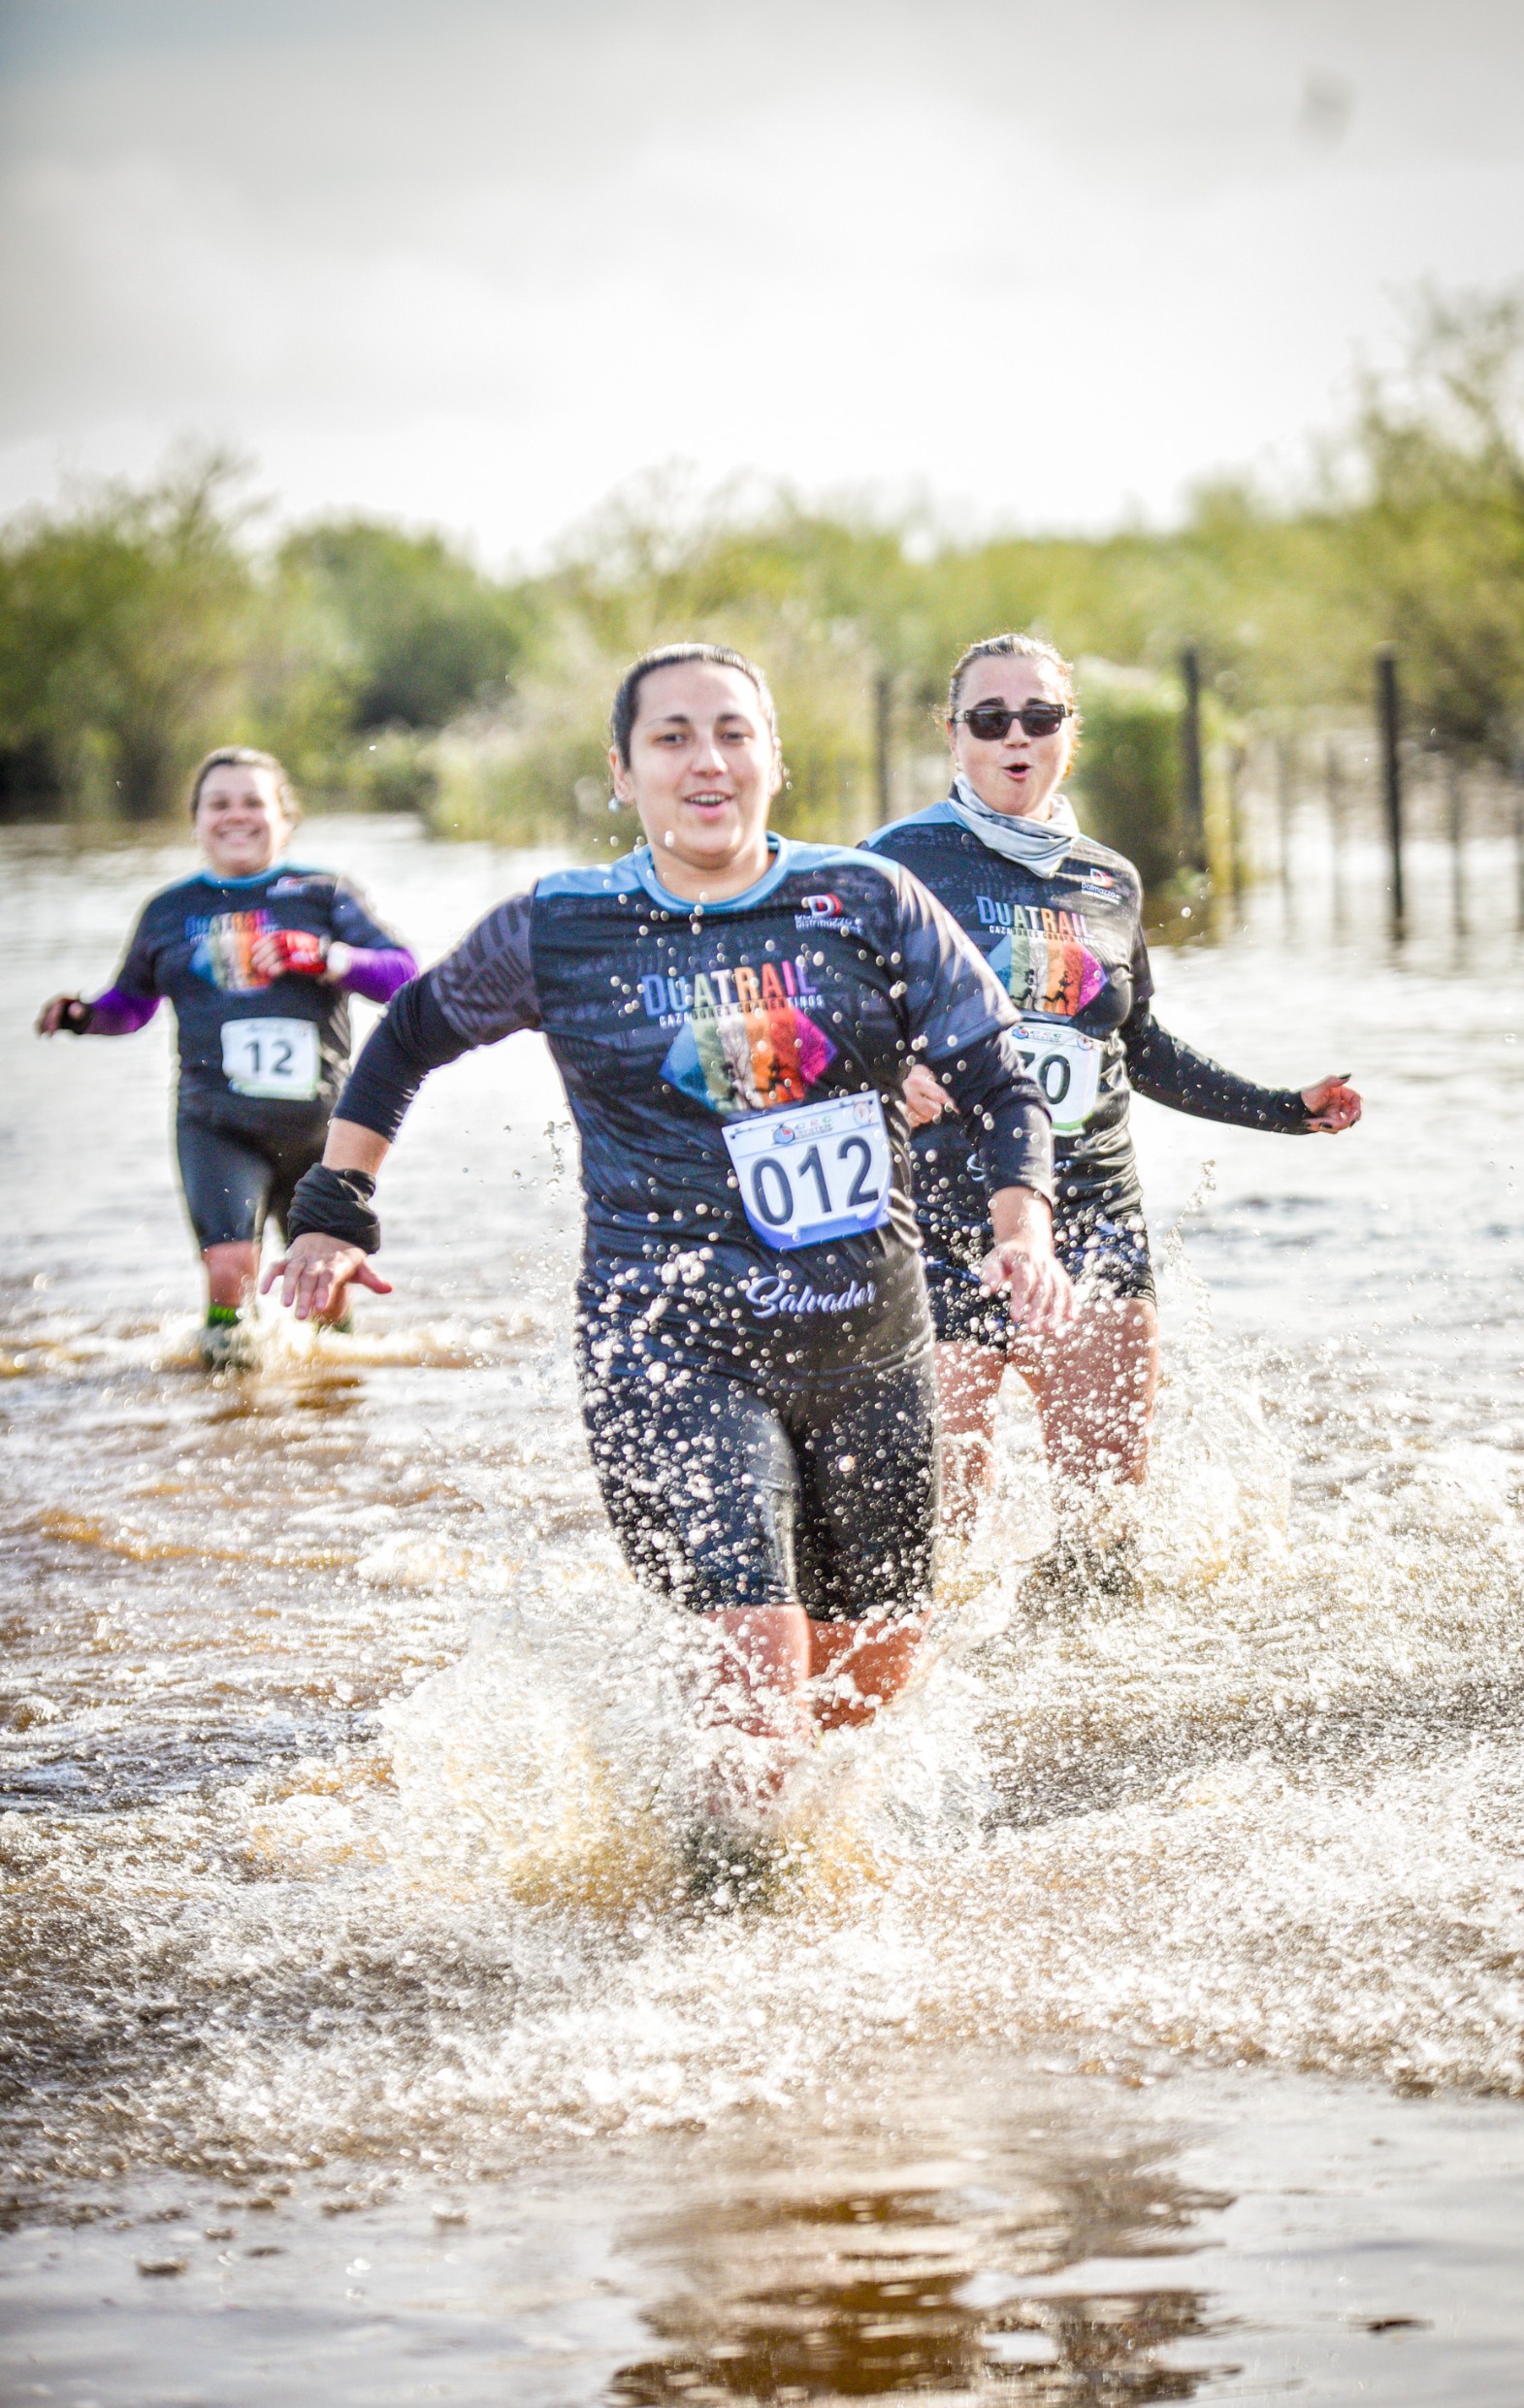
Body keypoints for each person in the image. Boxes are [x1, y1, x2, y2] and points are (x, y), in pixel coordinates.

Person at [266, 644, 1071, 1815]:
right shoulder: (562, 927)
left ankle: (792, 1870)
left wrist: (1021, 1227)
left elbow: (1002, 1079)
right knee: (756, 1676)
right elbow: (403, 1040)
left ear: (775, 760)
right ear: (622, 771)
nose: (708, 761)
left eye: (733, 733)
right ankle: (722, 1894)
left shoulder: (869, 901)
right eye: (673, 737)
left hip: (866, 1348)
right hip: (671, 1348)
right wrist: (334, 1210)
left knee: (866, 1687)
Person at [868, 634, 1361, 1598]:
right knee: (930, 1555)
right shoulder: (895, 863)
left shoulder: (1108, 880)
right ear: (953, 735)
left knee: (1102, 1551)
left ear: (1070, 733)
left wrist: (1282, 1110)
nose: (1016, 736)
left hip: (1093, 1218)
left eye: (1039, 716)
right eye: (990, 719)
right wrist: (886, 1069)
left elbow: (1139, 1046)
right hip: (937, 1222)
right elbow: (812, 1019)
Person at [36, 746, 418, 1368]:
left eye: (252, 803)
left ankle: (338, 1387)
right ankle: (226, 1386)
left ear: (284, 818)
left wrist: (324, 956)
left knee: (323, 1287)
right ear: (196, 820)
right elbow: (130, 1005)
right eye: (219, 804)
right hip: (217, 1123)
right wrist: (83, 1016)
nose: (235, 816)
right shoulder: (168, 911)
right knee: (228, 1270)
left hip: (321, 1127)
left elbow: (403, 976)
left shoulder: (326, 896)